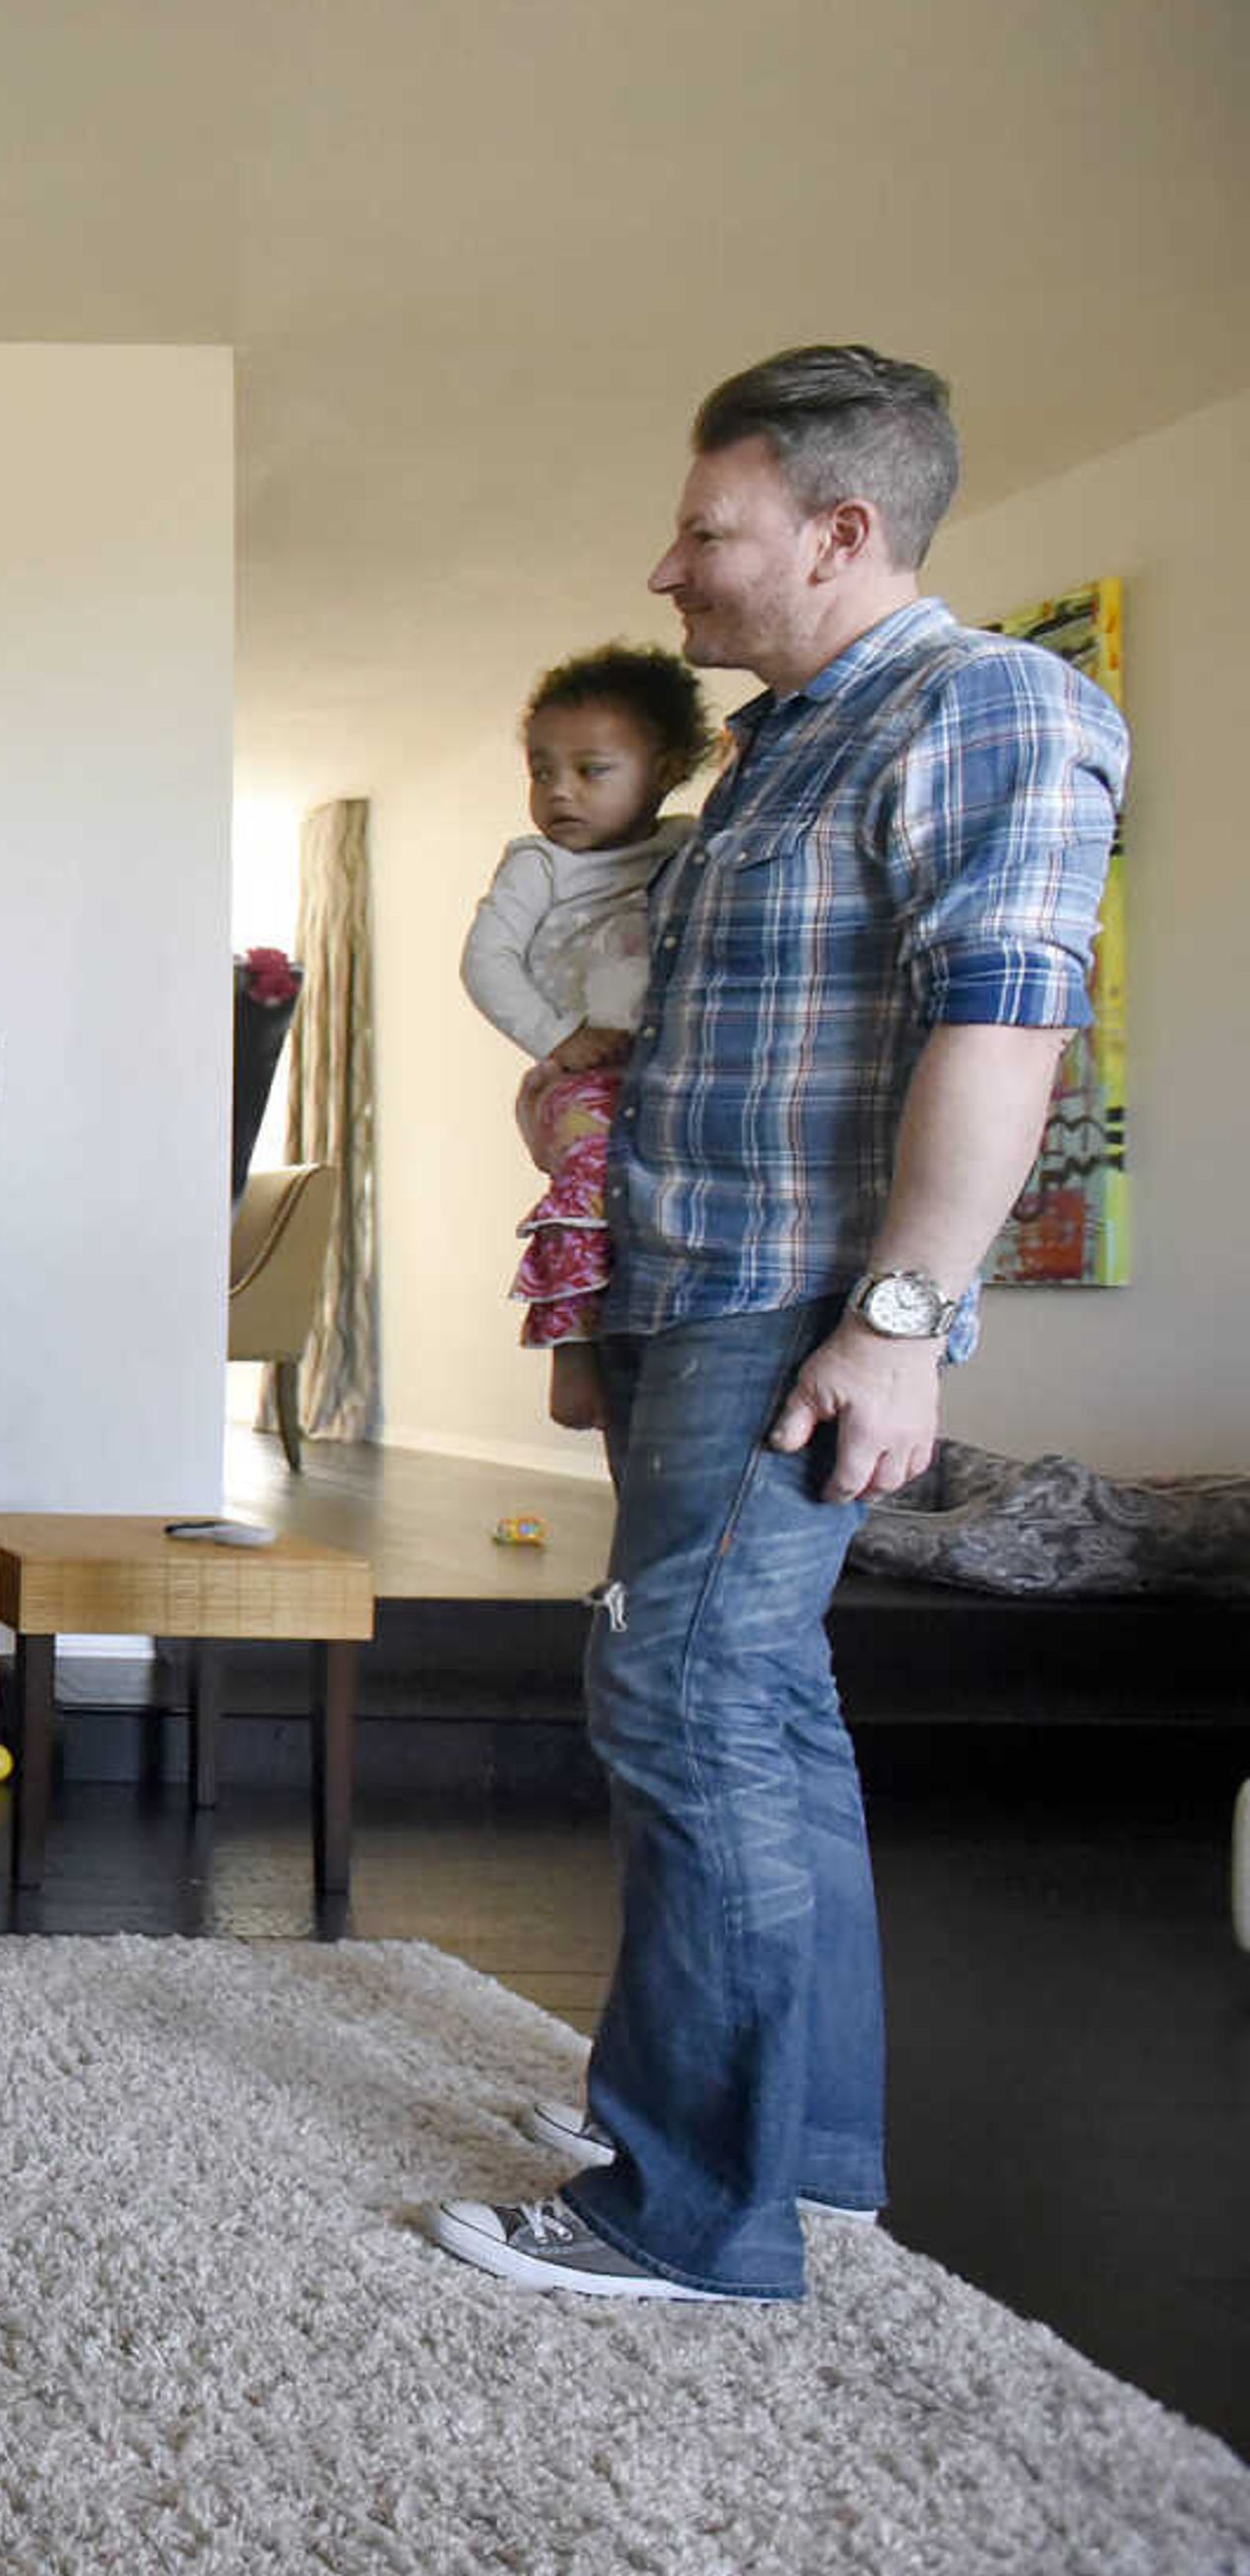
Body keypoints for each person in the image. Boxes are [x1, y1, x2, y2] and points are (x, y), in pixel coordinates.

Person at [428, 347, 1126, 2302]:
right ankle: (791, 2142)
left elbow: (1006, 1017)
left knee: (687, 1693)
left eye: (706, 529)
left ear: (841, 529)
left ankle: (684, 2205)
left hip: (790, 1298)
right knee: (765, 1698)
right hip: (680, 1277)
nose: (667, 568)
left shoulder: (987, 703)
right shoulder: (770, 753)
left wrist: (901, 1317)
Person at [458, 644, 715, 1430]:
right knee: (591, 1186)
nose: (558, 791)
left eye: (590, 769)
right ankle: (573, 1357)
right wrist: (556, 1034)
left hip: (656, 1073)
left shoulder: (684, 846)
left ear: (666, 769)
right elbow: (485, 958)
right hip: (580, 1079)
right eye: (541, 771)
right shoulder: (539, 865)